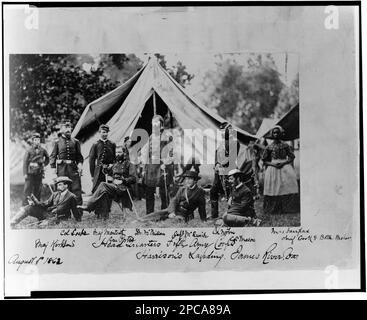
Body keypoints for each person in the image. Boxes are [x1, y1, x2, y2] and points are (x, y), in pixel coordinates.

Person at [78, 146, 136, 220]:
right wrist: (105, 169)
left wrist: (123, 180)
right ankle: (104, 216)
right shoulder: (115, 164)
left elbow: (133, 179)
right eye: (116, 152)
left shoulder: (129, 164)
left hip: (124, 189)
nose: (117, 154)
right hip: (115, 188)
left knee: (103, 185)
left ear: (124, 153)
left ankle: (89, 206)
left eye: (119, 152)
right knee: (104, 192)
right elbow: (108, 172)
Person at [11, 176, 80, 226]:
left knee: (41, 226)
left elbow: (75, 210)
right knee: (28, 208)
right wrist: (35, 202)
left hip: (59, 218)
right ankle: (12, 222)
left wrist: (78, 220)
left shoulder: (71, 196)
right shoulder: (55, 194)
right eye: (58, 185)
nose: (58, 187)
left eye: (60, 185)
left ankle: (42, 223)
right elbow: (45, 204)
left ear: (66, 185)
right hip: (48, 214)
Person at [261, 125, 299, 215]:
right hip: (273, 168)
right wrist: (272, 164)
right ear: (272, 134)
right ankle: (274, 209)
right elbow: (264, 160)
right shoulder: (269, 147)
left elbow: (292, 157)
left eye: (277, 132)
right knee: (273, 186)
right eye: (274, 132)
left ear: (281, 134)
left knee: (288, 185)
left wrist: (284, 163)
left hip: (284, 167)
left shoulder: (285, 145)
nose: (276, 134)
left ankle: (288, 207)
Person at [50, 121, 84, 218]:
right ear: (62, 129)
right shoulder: (57, 142)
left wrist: (80, 165)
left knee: (76, 190)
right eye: (66, 127)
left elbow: (79, 157)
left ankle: (78, 214)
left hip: (73, 169)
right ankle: (64, 214)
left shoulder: (76, 142)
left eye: (70, 127)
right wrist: (53, 170)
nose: (69, 129)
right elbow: (53, 156)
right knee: (62, 191)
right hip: (62, 170)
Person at [141, 115, 174, 214]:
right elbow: (146, 153)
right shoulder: (151, 137)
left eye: (157, 124)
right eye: (153, 124)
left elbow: (171, 152)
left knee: (164, 190)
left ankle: (165, 212)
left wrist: (167, 162)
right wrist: (144, 168)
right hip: (151, 167)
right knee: (149, 190)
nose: (155, 126)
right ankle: (149, 213)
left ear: (161, 125)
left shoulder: (167, 136)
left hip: (163, 166)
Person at [210, 122, 240, 219]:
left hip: (229, 170)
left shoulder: (235, 142)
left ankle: (231, 213)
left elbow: (232, 158)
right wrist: (216, 164)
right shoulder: (221, 142)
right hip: (218, 171)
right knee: (213, 191)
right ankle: (214, 214)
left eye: (225, 130)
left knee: (229, 192)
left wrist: (221, 164)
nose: (223, 133)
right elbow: (216, 154)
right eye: (221, 131)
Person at [22, 133, 50, 205]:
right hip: (30, 172)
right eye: (35, 140)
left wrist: (44, 164)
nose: (37, 141)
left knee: (38, 188)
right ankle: (24, 204)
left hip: (39, 171)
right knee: (28, 188)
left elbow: (47, 158)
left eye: (38, 140)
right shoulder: (29, 150)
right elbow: (25, 162)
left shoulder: (43, 150)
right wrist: (25, 173)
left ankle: (36, 204)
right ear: (33, 141)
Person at [89, 124, 116, 193]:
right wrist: (93, 175)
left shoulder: (112, 144)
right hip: (99, 171)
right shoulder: (95, 144)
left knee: (110, 188)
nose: (105, 134)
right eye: (103, 132)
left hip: (110, 169)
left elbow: (115, 158)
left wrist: (112, 165)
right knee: (98, 189)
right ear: (99, 132)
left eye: (106, 132)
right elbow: (91, 160)